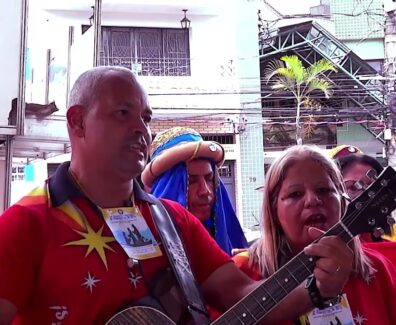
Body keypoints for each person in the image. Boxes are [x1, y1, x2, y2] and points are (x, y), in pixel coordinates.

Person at [0, 66, 351, 324]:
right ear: (77, 122)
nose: (141, 128)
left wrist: (317, 289)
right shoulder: (25, 224)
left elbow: (244, 299)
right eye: (123, 113)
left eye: (146, 117)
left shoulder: (172, 221)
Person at [234, 145, 396, 325]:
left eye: (324, 190)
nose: (312, 200)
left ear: (342, 201)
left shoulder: (378, 269)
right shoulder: (242, 273)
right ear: (274, 210)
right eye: (295, 194)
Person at [141, 126, 247, 255]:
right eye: (191, 181)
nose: (205, 191)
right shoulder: (144, 249)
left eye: (209, 179)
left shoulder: (237, 254)